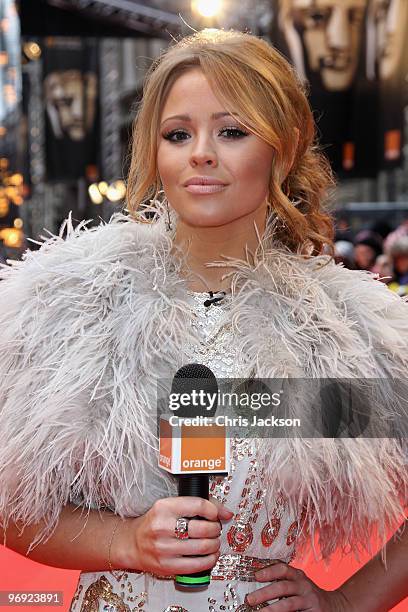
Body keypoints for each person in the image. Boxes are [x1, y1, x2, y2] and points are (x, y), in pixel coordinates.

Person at [1, 29, 408, 612]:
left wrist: (346, 602)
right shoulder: (74, 308)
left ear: (283, 149)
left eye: (232, 131)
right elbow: (13, 509)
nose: (201, 153)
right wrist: (124, 541)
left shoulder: (339, 335)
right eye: (177, 134)